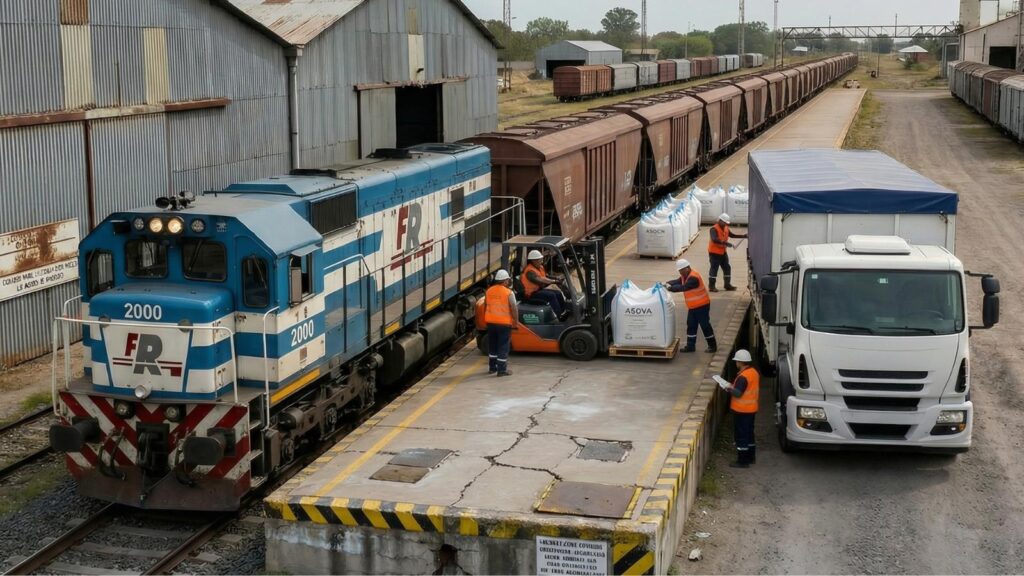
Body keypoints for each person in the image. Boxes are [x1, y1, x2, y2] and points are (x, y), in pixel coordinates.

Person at [666, 259, 717, 353]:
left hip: (702, 306)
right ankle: (690, 346)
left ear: (687, 268)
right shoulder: (684, 275)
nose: (680, 272)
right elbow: (677, 281)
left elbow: (683, 287)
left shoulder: (694, 278)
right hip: (693, 307)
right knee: (691, 325)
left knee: (705, 325)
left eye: (681, 270)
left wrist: (670, 288)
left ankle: (712, 346)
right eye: (679, 271)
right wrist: (667, 283)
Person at [723, 349, 760, 468]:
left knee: (741, 435)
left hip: (742, 410)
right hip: (751, 409)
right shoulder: (753, 372)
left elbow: (738, 393)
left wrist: (728, 388)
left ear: (740, 362)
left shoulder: (743, 376)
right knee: (749, 434)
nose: (736, 363)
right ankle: (751, 457)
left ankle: (742, 461)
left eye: (736, 361)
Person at [483, 269, 518, 377]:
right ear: (505, 281)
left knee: (492, 345)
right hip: (504, 324)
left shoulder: (489, 291)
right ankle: (501, 370)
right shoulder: (508, 292)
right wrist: (515, 322)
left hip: (490, 323)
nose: (508, 282)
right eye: (507, 280)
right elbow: (514, 308)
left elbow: (485, 306)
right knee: (503, 346)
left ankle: (492, 368)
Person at [708, 213, 748, 292]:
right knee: (714, 269)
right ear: (720, 220)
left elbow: (732, 235)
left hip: (723, 252)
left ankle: (727, 285)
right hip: (714, 253)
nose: (725, 224)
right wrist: (726, 243)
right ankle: (711, 286)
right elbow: (714, 239)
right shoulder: (713, 229)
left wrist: (743, 236)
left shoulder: (726, 228)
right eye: (724, 222)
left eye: (726, 223)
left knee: (727, 268)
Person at [520, 249, 566, 317]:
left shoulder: (540, 267)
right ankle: (559, 316)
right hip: (531, 294)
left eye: (541, 259)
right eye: (540, 260)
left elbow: (545, 276)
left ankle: (563, 311)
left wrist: (556, 278)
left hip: (538, 290)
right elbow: (540, 280)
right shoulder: (530, 271)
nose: (541, 261)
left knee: (558, 293)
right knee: (551, 296)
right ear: (534, 261)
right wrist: (554, 282)